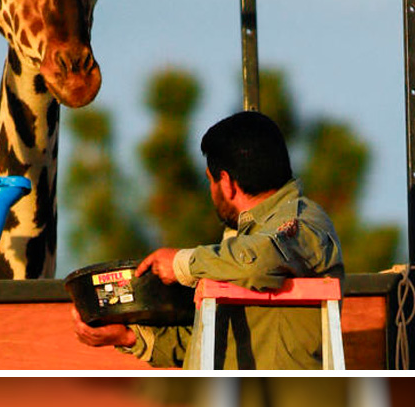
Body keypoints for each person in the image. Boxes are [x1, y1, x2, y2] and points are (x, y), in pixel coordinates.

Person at [71, 110, 344, 369]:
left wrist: (181, 264)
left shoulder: (302, 222)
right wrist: (128, 338)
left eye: (210, 181)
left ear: (226, 183)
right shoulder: (236, 250)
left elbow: (261, 259)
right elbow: (215, 345)